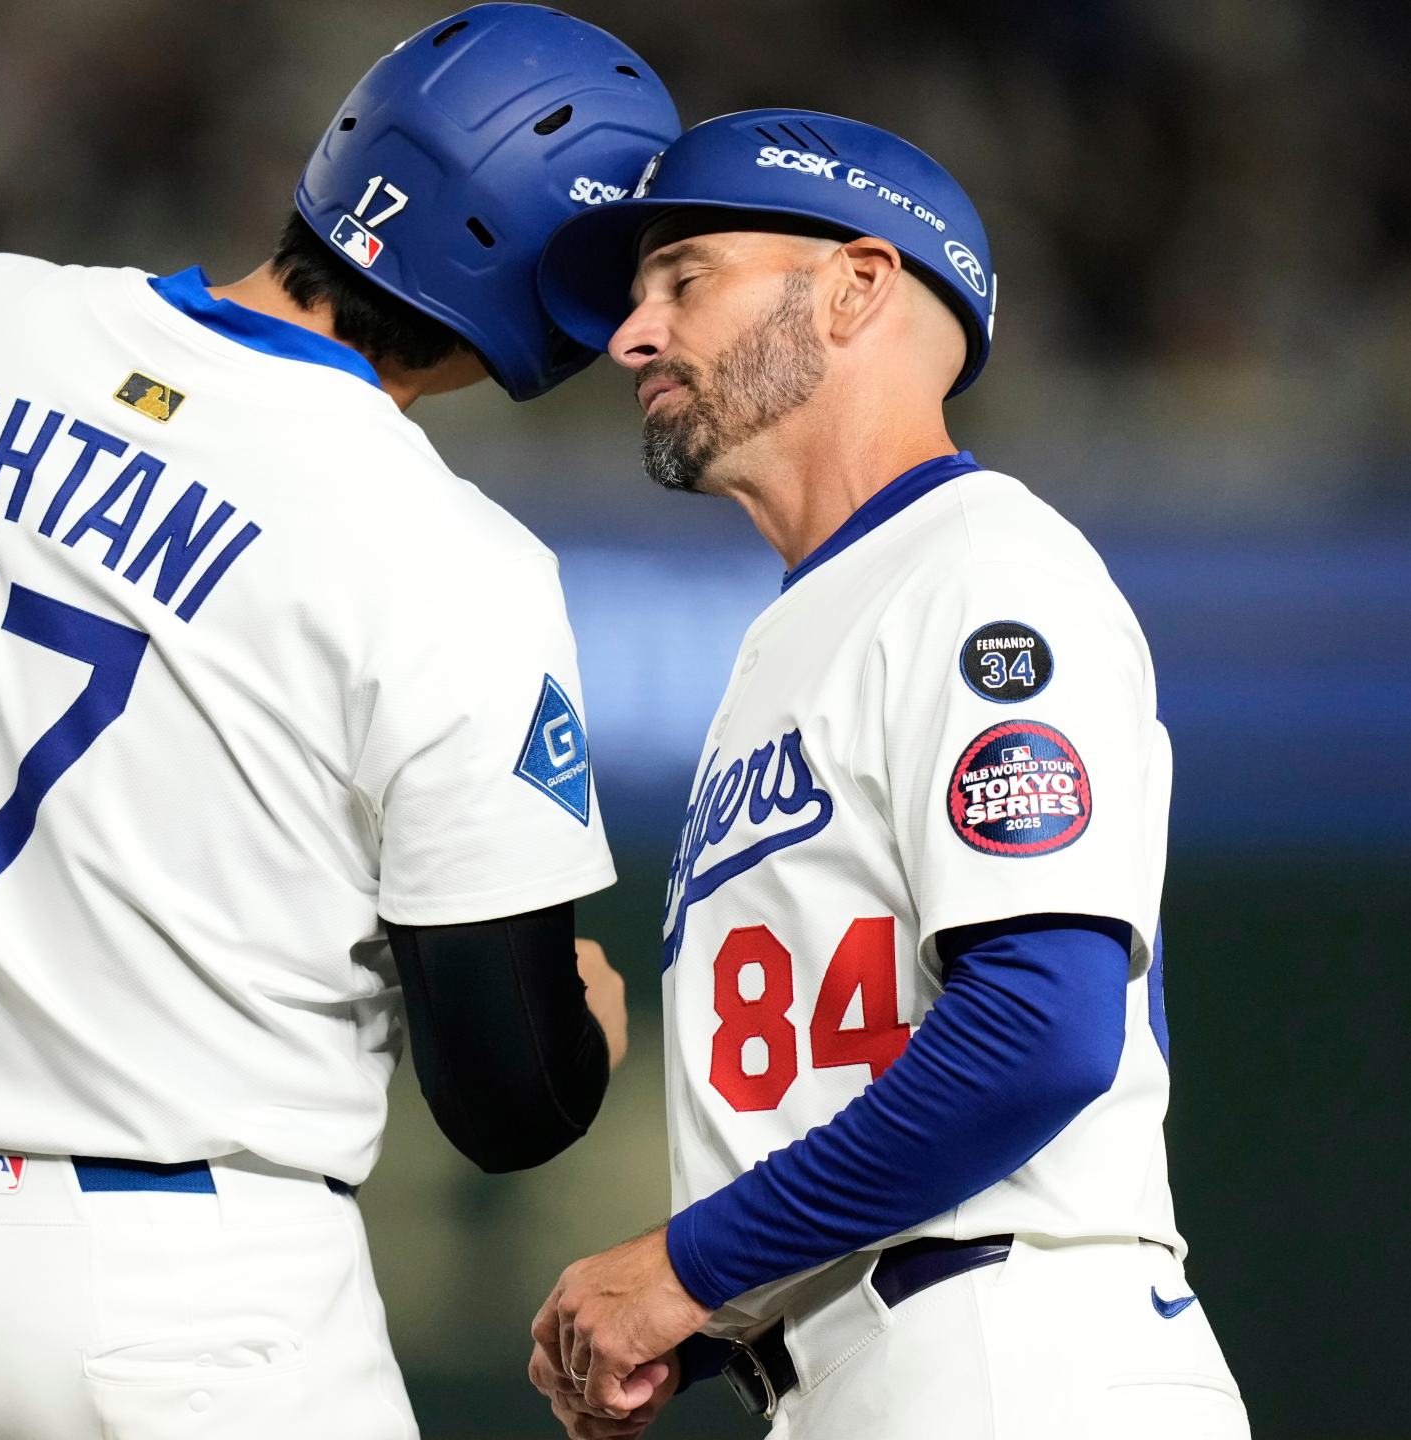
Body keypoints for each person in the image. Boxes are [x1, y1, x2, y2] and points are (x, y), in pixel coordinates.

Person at [0, 8, 678, 1437]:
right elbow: (514, 1098)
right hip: (189, 1292)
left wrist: (6, 535)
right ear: (557, 296)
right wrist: (589, 1022)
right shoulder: (448, 557)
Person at [521, 110, 1248, 1438]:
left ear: (859, 285)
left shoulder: (985, 574)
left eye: (685, 279)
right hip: (882, 1361)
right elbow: (847, 1065)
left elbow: (1038, 1029)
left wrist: (684, 1270)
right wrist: (707, 1318)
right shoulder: (800, 632)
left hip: (1008, 1352)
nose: (633, 335)